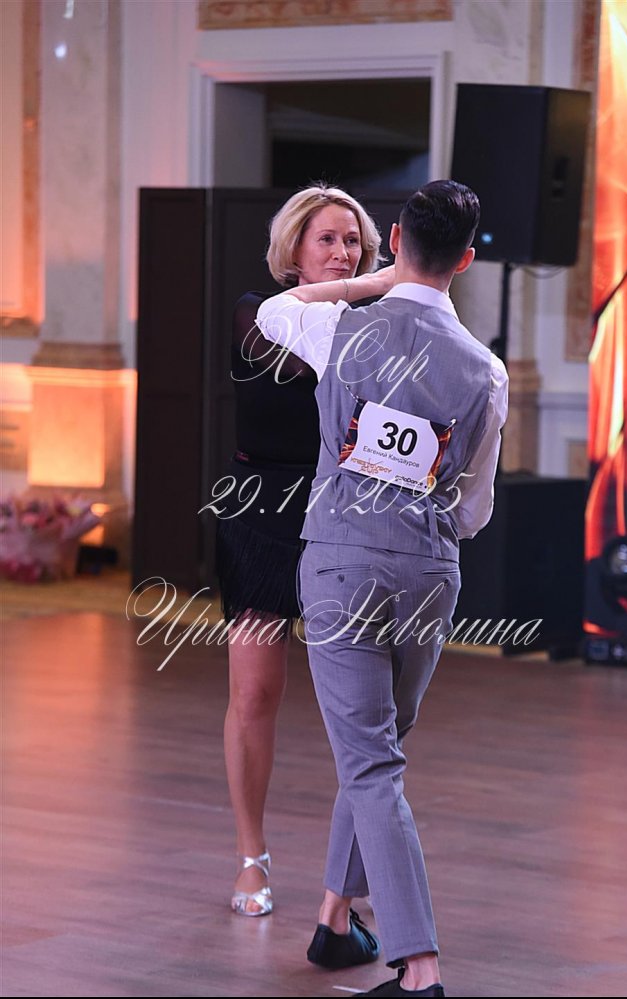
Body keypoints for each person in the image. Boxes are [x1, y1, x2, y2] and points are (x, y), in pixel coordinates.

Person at [256, 180, 509, 995]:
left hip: (341, 562)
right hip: (428, 572)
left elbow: (276, 309)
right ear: (467, 260)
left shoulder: (341, 327)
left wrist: (377, 281)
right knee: (378, 752)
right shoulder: (487, 370)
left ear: (395, 238)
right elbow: (474, 509)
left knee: (371, 763)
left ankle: (420, 968)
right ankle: (335, 919)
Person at [217, 185, 383, 918]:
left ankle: (351, 879)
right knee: (255, 692)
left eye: (353, 241)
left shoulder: (376, 325)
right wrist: (376, 286)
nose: (343, 252)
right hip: (259, 514)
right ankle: (250, 855)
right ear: (294, 249)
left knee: (357, 706)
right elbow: (290, 366)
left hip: (340, 514)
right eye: (328, 239)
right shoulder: (258, 313)